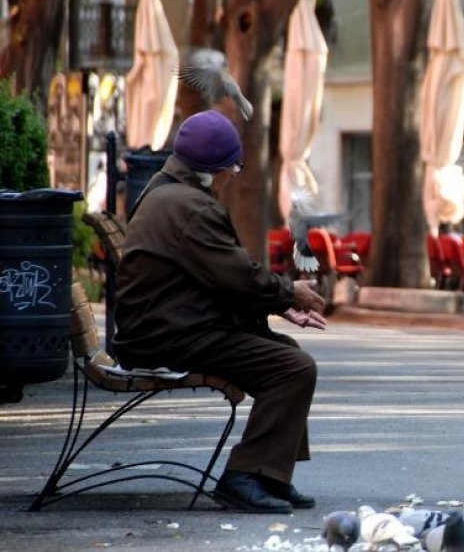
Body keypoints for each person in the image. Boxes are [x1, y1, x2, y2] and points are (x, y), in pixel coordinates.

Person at [112, 110, 328, 514]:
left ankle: (271, 474)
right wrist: (289, 293)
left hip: (162, 325)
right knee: (292, 367)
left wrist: (281, 306)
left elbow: (217, 276)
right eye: (235, 167)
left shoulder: (166, 189)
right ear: (219, 168)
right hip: (166, 335)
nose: (234, 175)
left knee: (284, 351)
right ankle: (244, 477)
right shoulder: (191, 206)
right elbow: (237, 277)